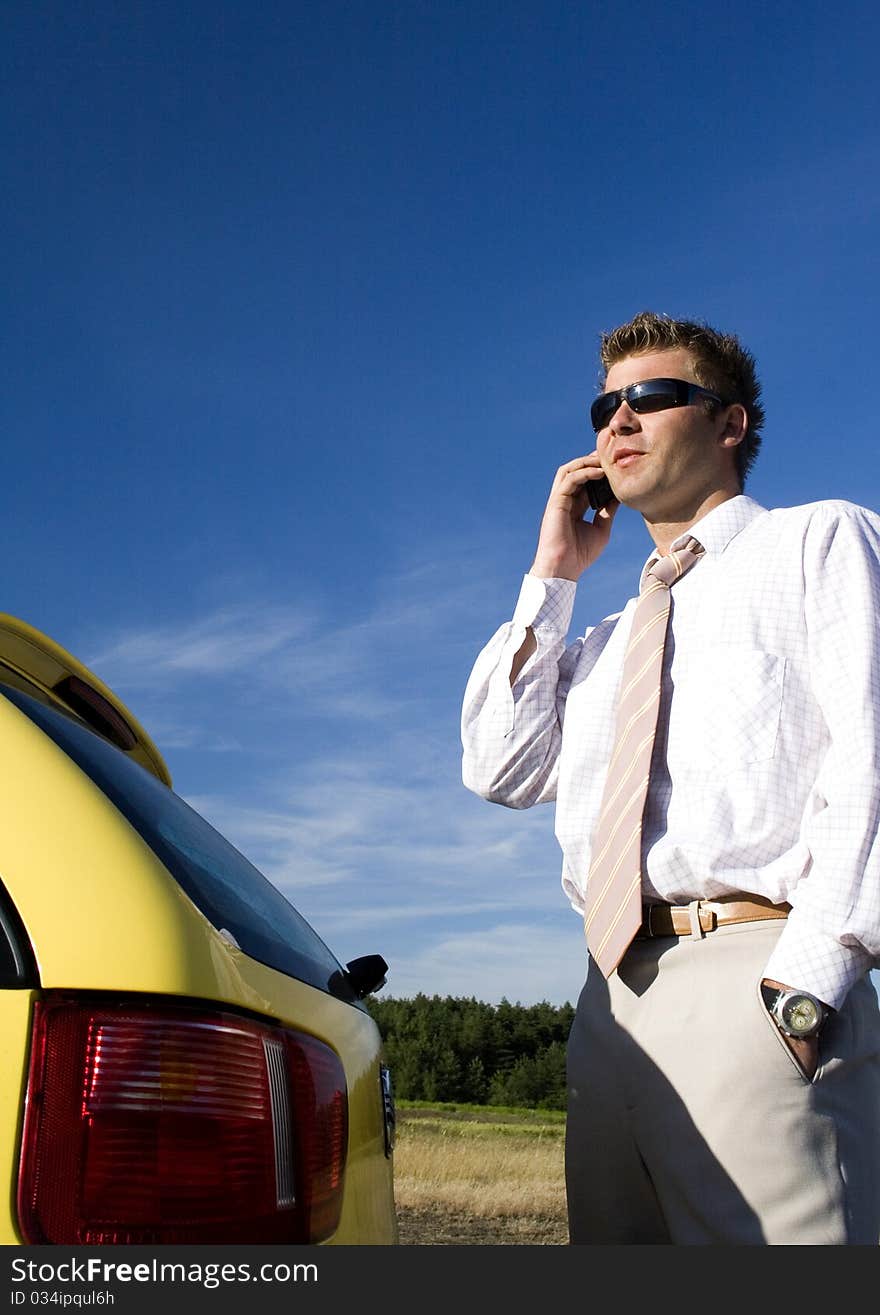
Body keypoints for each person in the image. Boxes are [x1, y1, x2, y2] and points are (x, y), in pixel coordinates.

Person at [460, 310, 880, 1245]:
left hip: (757, 976)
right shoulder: (604, 640)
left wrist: (809, 983)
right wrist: (554, 575)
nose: (619, 422)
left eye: (651, 397)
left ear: (730, 424)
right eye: (605, 406)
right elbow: (499, 767)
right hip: (609, 998)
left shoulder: (820, 542)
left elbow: (872, 755)